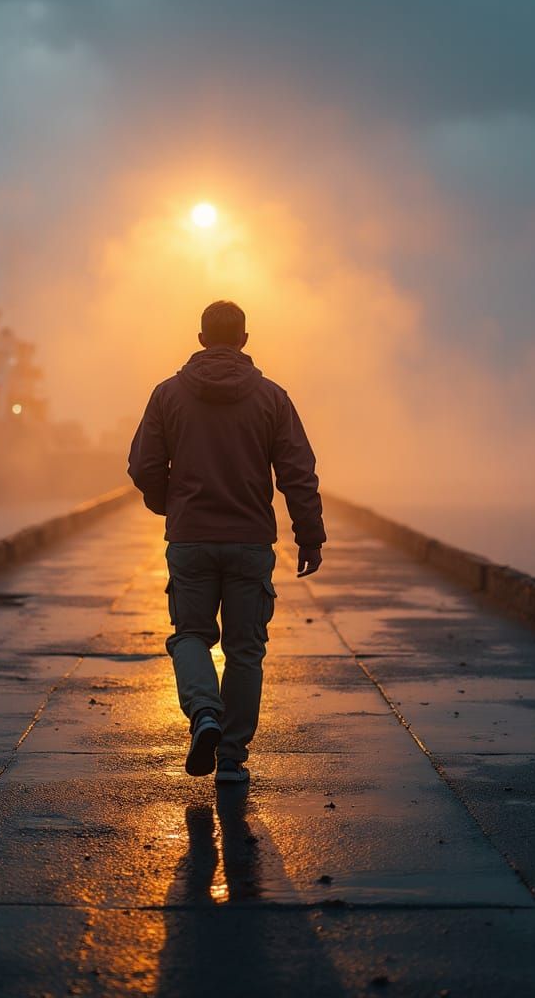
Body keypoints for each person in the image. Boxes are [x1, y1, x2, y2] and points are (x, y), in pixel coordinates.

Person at [127, 300, 325, 784]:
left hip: (191, 539)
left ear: (200, 339)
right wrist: (310, 537)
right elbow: (297, 473)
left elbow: (143, 465)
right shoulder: (273, 399)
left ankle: (205, 714)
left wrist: (167, 504)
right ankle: (232, 758)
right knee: (245, 650)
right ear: (244, 340)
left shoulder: (167, 395)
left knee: (190, 635)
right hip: (250, 541)